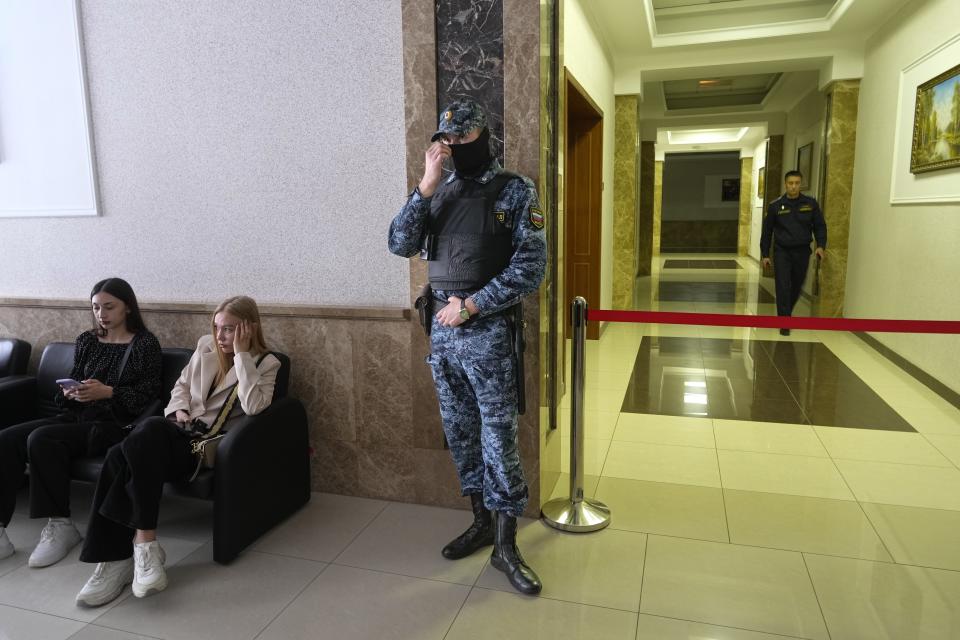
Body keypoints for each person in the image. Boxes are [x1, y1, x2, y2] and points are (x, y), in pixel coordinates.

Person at [388, 99, 546, 595]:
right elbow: (399, 243)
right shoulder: (440, 191)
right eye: (448, 140)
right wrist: (425, 186)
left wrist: (473, 306)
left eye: (464, 137)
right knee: (460, 434)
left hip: (488, 336)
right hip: (444, 339)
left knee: (498, 439)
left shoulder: (516, 190)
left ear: (485, 134)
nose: (455, 147)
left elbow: (530, 268)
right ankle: (480, 521)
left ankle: (506, 543)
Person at [74, 296, 280, 607]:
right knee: (127, 449)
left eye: (230, 330)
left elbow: (254, 406)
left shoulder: (266, 363)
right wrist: (178, 412)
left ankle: (129, 552)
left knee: (130, 445)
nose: (221, 336)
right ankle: (131, 554)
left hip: (202, 448)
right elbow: (180, 388)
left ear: (249, 329)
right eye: (217, 328)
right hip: (174, 433)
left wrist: (241, 355)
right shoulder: (205, 347)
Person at [0, 278, 161, 567]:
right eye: (96, 308)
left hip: (113, 425)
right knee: (6, 438)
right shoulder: (87, 340)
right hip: (76, 417)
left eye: (109, 307)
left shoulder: (144, 344)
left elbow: (149, 396)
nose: (102, 314)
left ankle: (60, 525)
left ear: (127, 307)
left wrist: (108, 392)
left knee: (42, 438)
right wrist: (71, 391)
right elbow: (71, 383)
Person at [760, 170, 827, 335]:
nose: (793, 187)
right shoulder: (775, 206)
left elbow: (820, 226)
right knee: (782, 285)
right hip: (782, 251)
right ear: (785, 184)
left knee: (797, 284)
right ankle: (784, 322)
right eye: (790, 183)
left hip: (802, 251)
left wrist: (821, 245)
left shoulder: (810, 204)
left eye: (797, 183)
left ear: (800, 184)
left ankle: (786, 312)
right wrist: (765, 254)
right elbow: (767, 231)